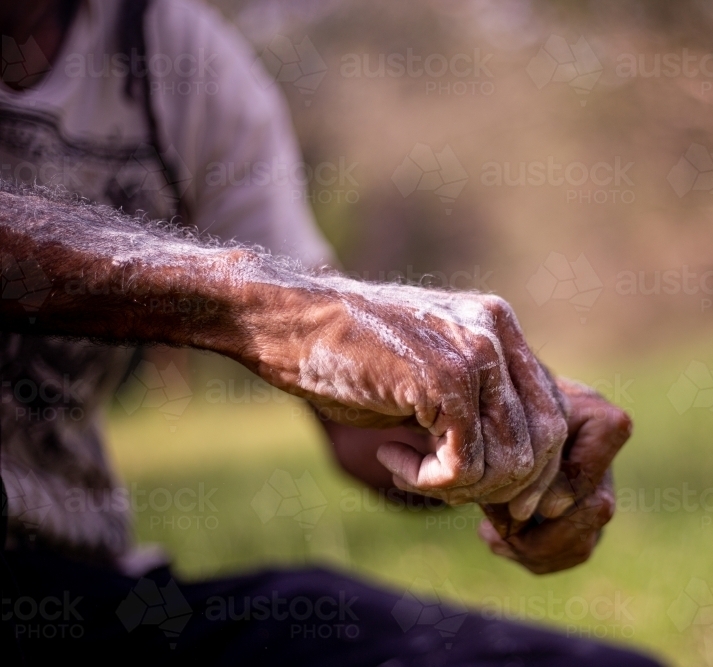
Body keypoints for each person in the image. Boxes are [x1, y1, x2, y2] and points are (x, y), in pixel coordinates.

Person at [0, 1, 661, 665]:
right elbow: (292, 313)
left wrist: (499, 418)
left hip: (90, 601)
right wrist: (267, 306)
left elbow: (354, 416)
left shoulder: (175, 51)